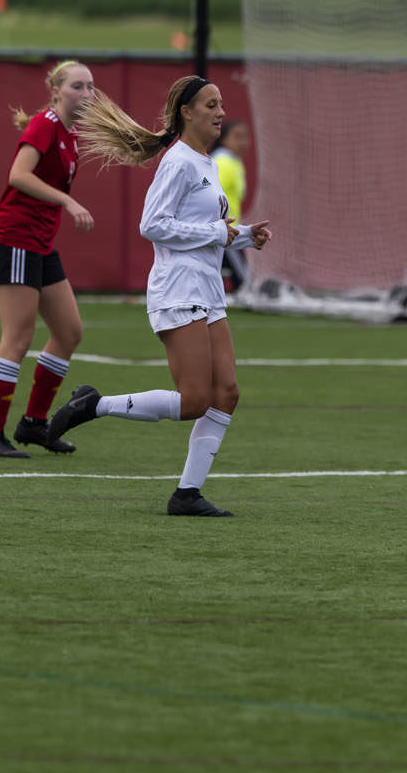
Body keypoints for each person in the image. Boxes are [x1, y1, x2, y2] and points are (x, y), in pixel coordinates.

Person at [41, 75, 273, 517]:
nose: (220, 111)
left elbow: (207, 231)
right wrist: (217, 232)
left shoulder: (205, 163)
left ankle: (187, 494)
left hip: (207, 289)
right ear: (186, 112)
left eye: (221, 104)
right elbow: (152, 225)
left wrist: (244, 236)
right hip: (179, 288)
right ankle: (94, 404)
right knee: (193, 401)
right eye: (210, 105)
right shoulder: (180, 162)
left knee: (227, 392)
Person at [0, 59, 96, 459]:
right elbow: (18, 175)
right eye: (78, 86)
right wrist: (68, 201)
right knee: (17, 339)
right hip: (14, 240)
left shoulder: (71, 134)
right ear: (57, 90)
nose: (87, 94)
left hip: (39, 244)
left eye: (91, 87)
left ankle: (34, 424)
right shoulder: (45, 124)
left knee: (69, 332)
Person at [211, 119, 252, 292]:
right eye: (237, 137)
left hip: (233, 230)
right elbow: (210, 196)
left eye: (245, 137)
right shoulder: (222, 162)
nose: (243, 142)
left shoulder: (235, 162)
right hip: (224, 230)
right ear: (223, 139)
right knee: (244, 283)